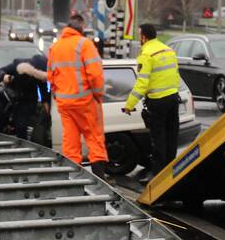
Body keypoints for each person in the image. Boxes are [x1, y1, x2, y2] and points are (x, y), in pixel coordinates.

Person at [47, 14, 108, 178]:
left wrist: (56, 95)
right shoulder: (85, 44)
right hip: (85, 102)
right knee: (94, 139)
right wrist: (98, 95)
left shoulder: (56, 47)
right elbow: (95, 75)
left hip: (64, 104)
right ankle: (99, 180)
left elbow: (51, 75)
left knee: (70, 142)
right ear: (81, 27)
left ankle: (73, 181)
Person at [122, 23, 180, 180]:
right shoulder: (168, 50)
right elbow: (175, 75)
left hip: (157, 102)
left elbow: (142, 84)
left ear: (143, 36)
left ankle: (158, 177)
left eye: (139, 34)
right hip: (173, 98)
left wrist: (129, 105)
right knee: (171, 136)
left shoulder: (146, 54)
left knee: (158, 139)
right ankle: (171, 173)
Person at [0, 54, 48, 142]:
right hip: (16, 99)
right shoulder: (17, 65)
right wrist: (4, 76)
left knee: (23, 125)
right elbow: (1, 70)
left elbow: (43, 87)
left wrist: (45, 103)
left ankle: (23, 143)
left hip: (30, 101)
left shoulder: (40, 73)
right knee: (19, 125)